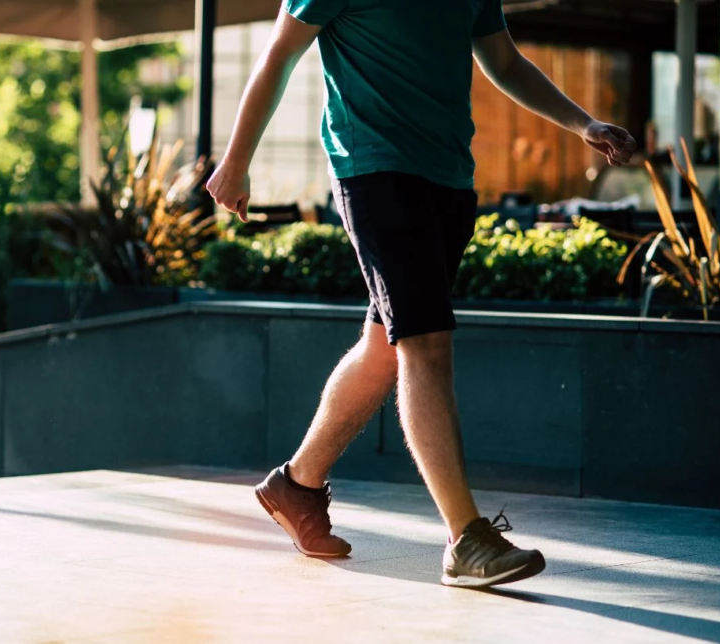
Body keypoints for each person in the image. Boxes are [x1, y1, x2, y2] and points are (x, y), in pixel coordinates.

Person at [207, 0, 636, 588]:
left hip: (449, 178)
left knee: (386, 343)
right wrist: (236, 161)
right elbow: (280, 54)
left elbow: (505, 64)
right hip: (375, 172)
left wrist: (582, 124)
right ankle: (467, 538)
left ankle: (296, 485)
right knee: (425, 343)